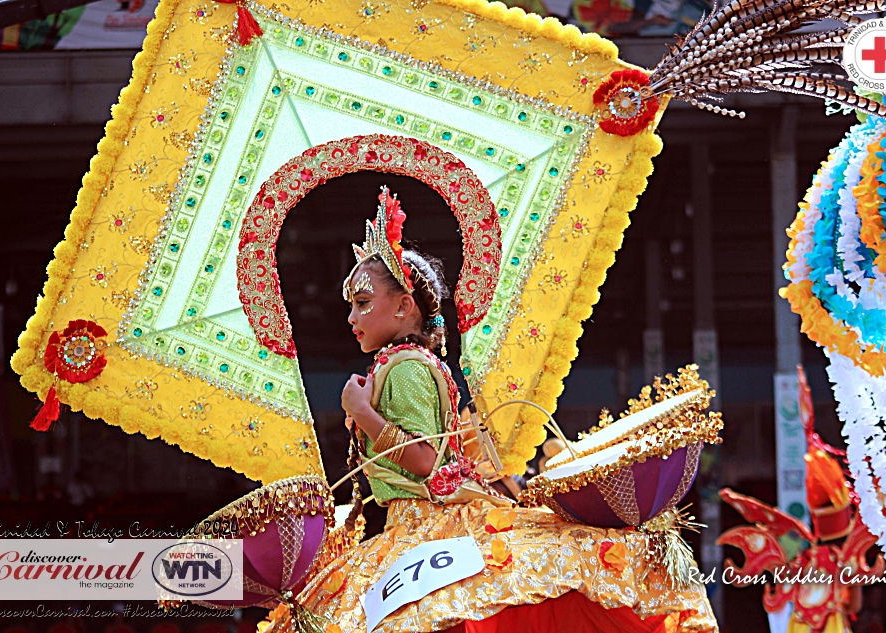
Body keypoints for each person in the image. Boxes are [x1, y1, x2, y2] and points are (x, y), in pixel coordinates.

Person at [293, 186, 717, 633]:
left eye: (362, 304)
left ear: (403, 307)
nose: (351, 318)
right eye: (351, 307)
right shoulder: (409, 364)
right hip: (423, 526)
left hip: (426, 526)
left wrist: (360, 412)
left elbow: (422, 460)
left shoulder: (402, 368)